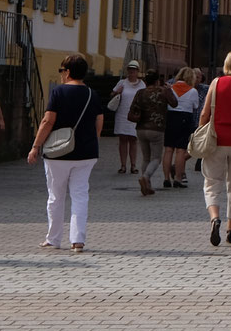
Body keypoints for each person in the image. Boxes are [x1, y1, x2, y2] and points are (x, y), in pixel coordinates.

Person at [28, 54, 102, 252]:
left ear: (68, 72)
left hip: (58, 153)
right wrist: (91, 141)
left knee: (56, 196)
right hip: (86, 153)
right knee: (80, 195)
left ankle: (53, 238)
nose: (61, 75)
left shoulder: (59, 92)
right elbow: (99, 123)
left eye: (62, 70)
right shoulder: (92, 94)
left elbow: (48, 121)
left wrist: (36, 146)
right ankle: (77, 240)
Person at [197, 50, 231, 247]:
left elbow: (205, 114)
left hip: (216, 139)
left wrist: (198, 132)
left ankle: (214, 219)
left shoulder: (216, 83)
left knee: (212, 182)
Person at [129, 70, 174, 196]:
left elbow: (133, 109)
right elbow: (174, 104)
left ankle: (147, 186)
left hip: (141, 128)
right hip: (157, 128)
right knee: (156, 158)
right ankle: (146, 177)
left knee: (146, 158)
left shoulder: (140, 92)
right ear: (157, 81)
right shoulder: (163, 91)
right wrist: (169, 90)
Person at [164, 66, 200, 187]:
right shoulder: (193, 91)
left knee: (168, 149)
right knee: (180, 151)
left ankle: (166, 178)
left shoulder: (170, 89)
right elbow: (196, 106)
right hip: (185, 119)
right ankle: (178, 179)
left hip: (171, 118)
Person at [107, 60, 144, 174]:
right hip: (122, 114)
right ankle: (123, 165)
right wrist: (117, 92)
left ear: (137, 71)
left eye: (134, 70)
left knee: (133, 139)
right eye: (130, 69)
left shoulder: (142, 84)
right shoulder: (122, 82)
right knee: (123, 139)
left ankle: (133, 165)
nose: (131, 72)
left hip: (135, 115)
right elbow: (112, 94)